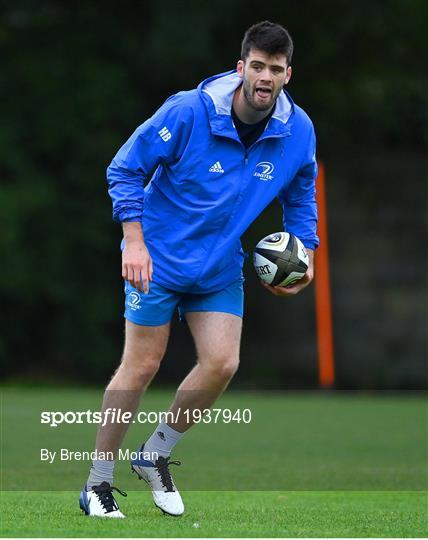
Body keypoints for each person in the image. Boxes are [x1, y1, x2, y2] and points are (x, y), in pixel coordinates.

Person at [79, 20, 319, 518]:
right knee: (141, 366)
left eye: (275, 69)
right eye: (257, 66)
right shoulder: (189, 110)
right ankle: (97, 483)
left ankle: (154, 453)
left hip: (219, 266)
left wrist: (306, 255)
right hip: (158, 260)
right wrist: (133, 241)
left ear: (287, 74)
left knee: (222, 363)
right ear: (241, 67)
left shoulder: (298, 131)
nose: (265, 77)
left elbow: (300, 192)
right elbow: (124, 168)